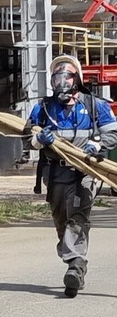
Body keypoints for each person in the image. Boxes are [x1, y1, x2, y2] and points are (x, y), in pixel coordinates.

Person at [26, 54, 117, 297]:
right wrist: (38, 140)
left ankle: (75, 265)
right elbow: (26, 138)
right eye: (57, 76)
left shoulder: (95, 106)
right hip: (55, 172)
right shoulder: (43, 108)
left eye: (67, 76)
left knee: (78, 215)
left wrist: (96, 145)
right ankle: (74, 260)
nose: (62, 81)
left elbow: (113, 133)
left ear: (77, 79)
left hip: (85, 172)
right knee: (61, 219)